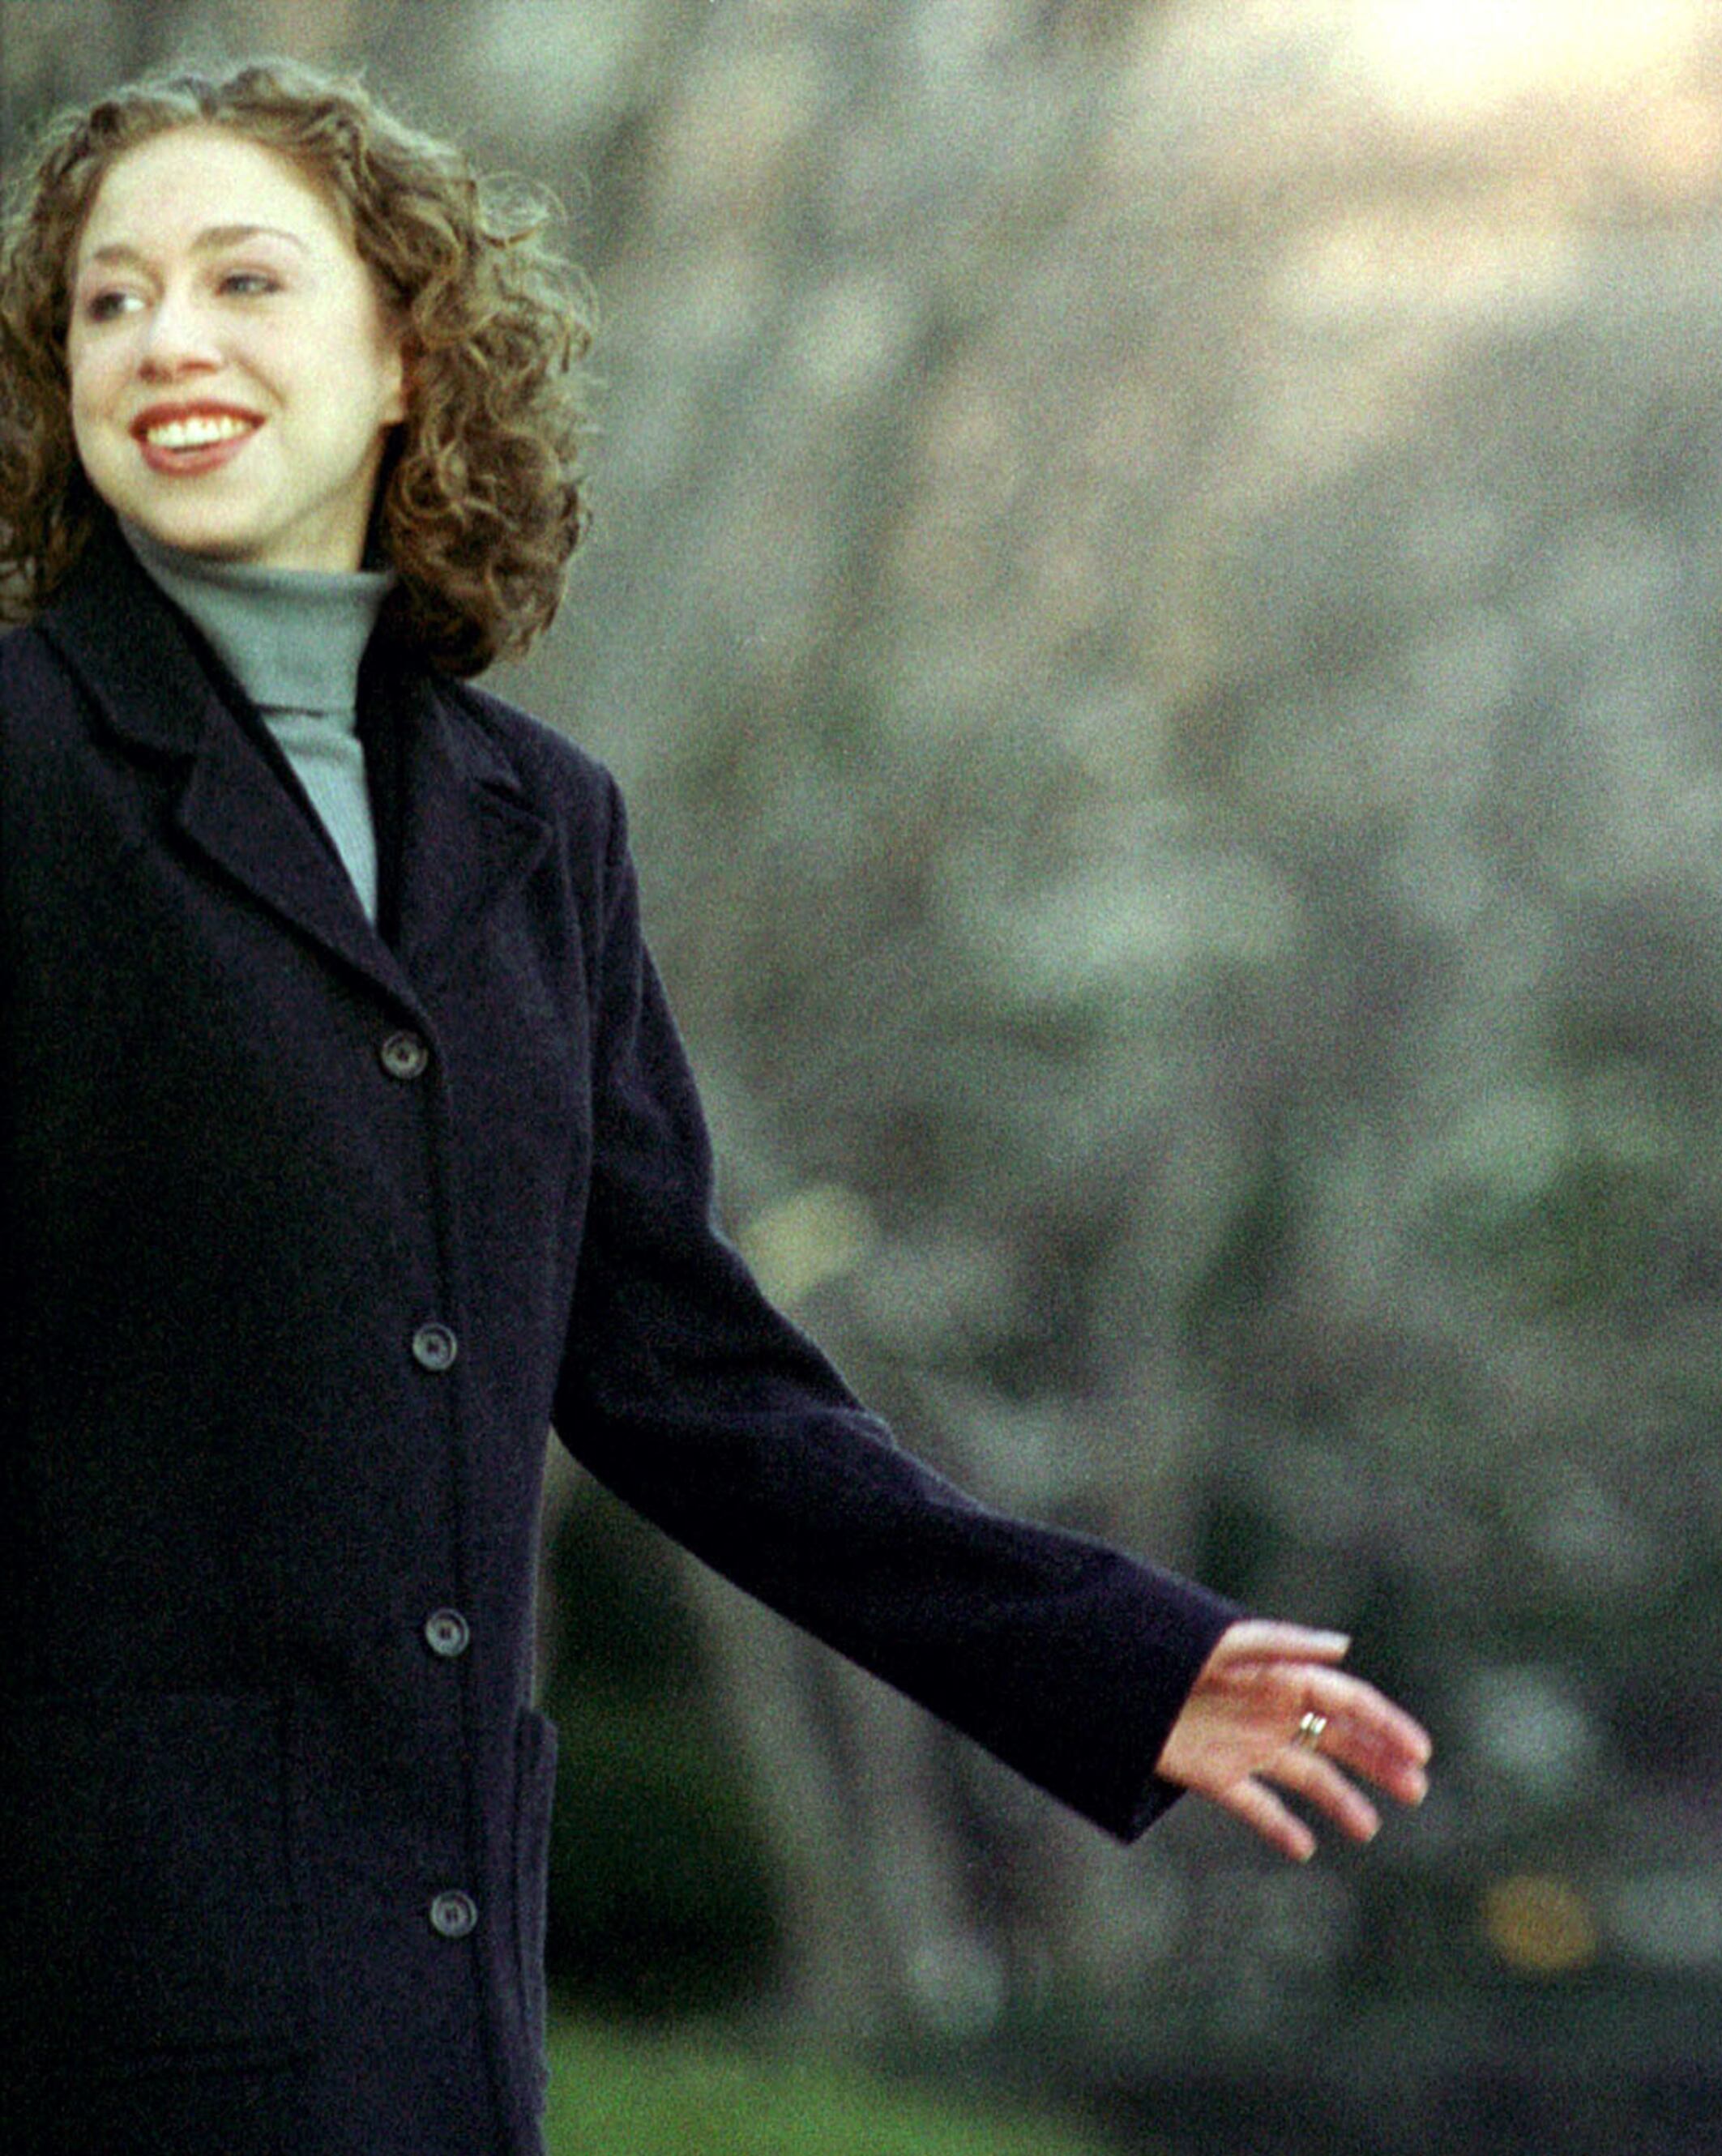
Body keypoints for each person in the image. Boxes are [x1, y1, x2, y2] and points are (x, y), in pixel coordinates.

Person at [0, 59, 1429, 2155]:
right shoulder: (21, 774)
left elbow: (685, 1370)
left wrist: (1104, 1656)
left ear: (407, 355)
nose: (170, 343)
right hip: (83, 1990)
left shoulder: (536, 824)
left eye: (243, 278)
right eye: (108, 303)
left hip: (433, 1976)